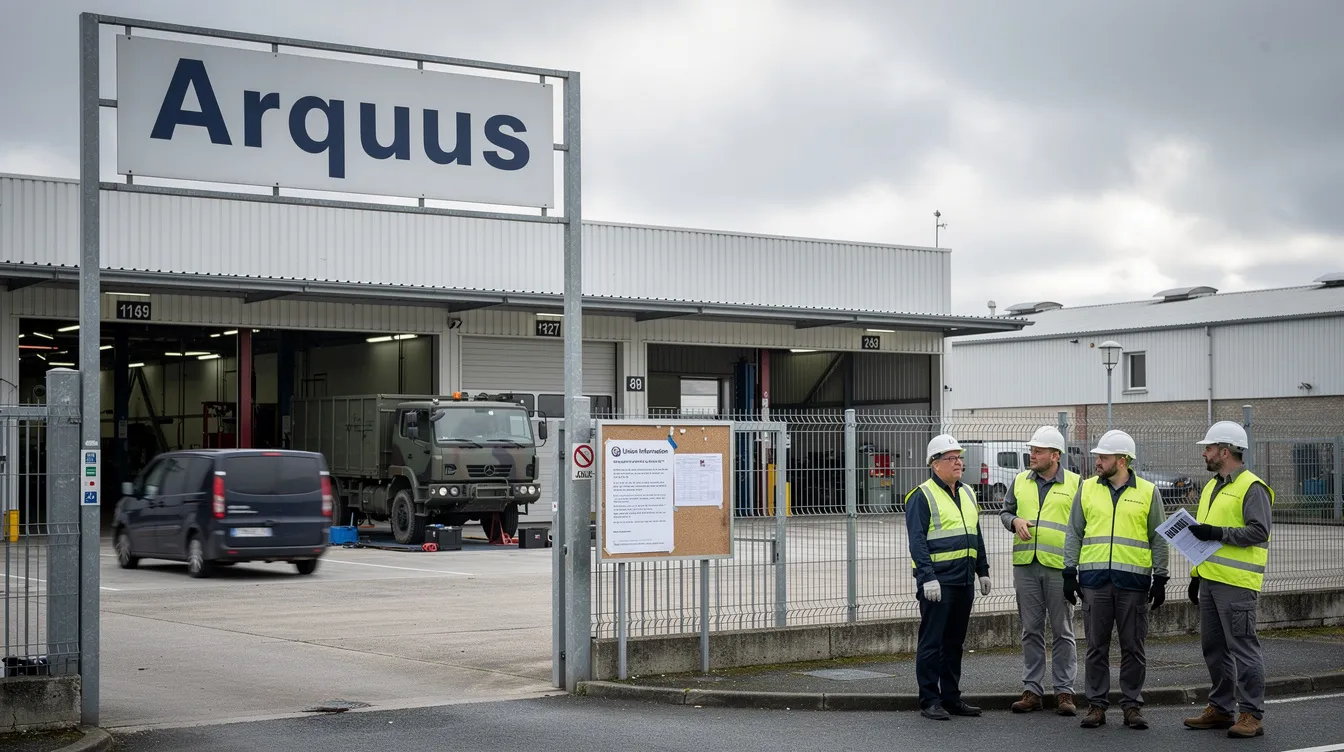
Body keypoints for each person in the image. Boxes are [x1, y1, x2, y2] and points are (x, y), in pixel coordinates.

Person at [1062, 429, 1169, 730]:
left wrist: (1161, 577)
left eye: (1104, 457)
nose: (1097, 461)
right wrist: (1069, 572)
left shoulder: (1148, 492)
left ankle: (1132, 706)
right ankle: (1096, 706)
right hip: (1094, 582)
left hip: (1133, 584)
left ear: (1122, 460)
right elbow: (1074, 532)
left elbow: (1159, 538)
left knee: (1133, 647)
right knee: (1096, 647)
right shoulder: (1086, 489)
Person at [1182, 421, 1274, 739]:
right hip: (1210, 580)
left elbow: (1259, 531)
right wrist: (1196, 576)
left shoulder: (1252, 487)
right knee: (1213, 648)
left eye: (1208, 448)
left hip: (1237, 583)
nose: (1204, 453)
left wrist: (1217, 533)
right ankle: (1221, 709)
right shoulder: (1212, 486)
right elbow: (1205, 539)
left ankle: (1251, 714)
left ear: (1224, 451)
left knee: (1243, 648)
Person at [905, 433, 992, 721]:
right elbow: (917, 541)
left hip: (964, 580)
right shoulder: (922, 496)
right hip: (938, 583)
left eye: (959, 458)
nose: (958, 463)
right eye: (951, 458)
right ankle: (930, 699)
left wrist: (982, 570)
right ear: (935, 464)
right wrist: (928, 577)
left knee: (954, 643)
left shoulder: (967, 493)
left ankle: (951, 697)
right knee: (932, 643)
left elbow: (975, 533)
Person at [1000, 426, 1081, 716]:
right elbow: (1005, 512)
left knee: (1063, 631)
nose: (1031, 455)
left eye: (1038, 451)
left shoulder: (1076, 484)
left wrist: (1076, 568)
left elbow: (1083, 526)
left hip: (1060, 568)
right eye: (1031, 450)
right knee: (1030, 630)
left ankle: (1064, 692)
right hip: (1026, 566)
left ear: (1055, 455)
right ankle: (1032, 690)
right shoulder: (1020, 481)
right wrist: (1014, 522)